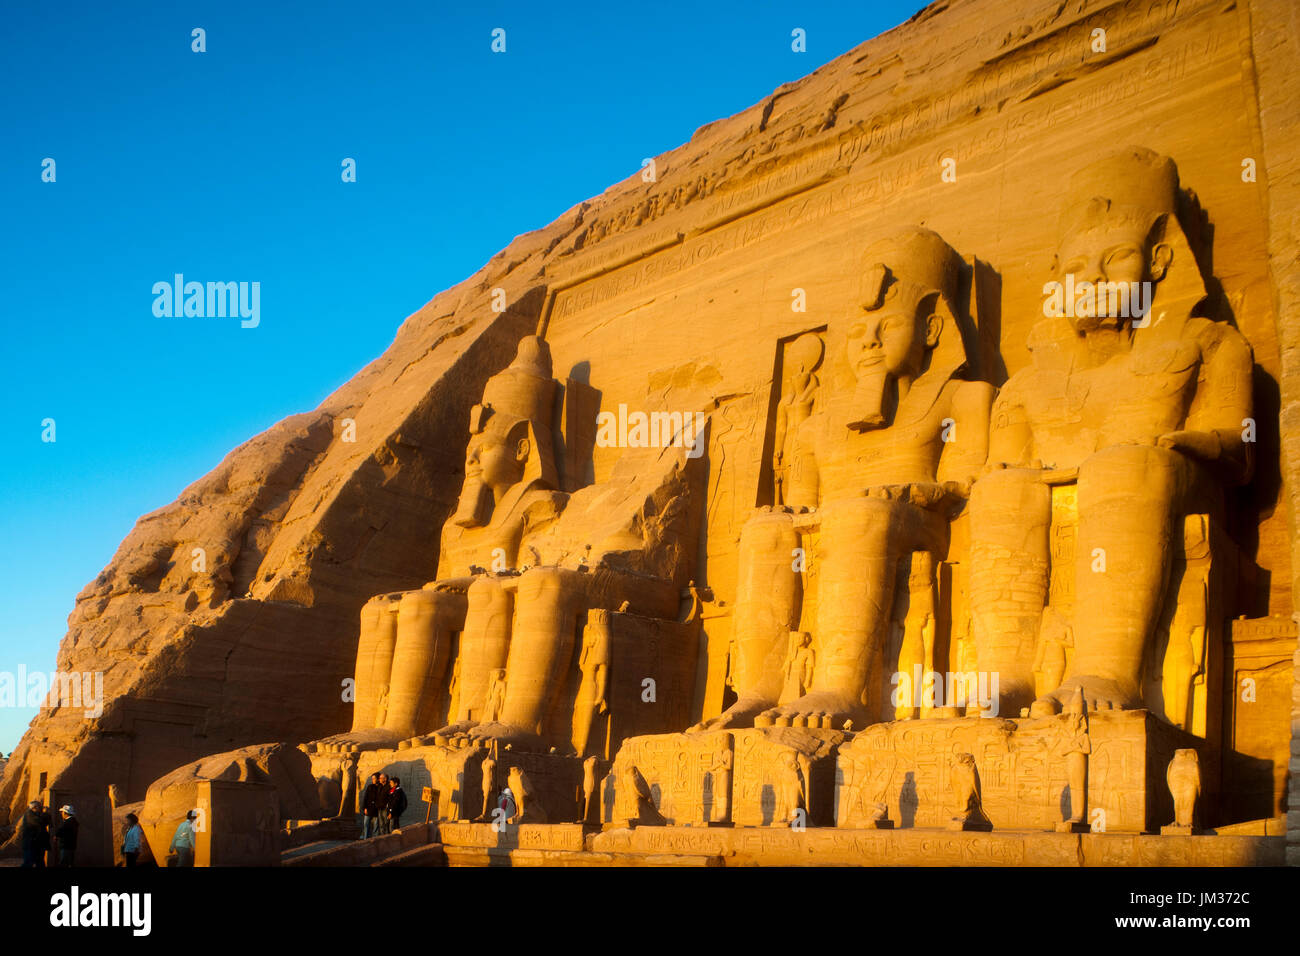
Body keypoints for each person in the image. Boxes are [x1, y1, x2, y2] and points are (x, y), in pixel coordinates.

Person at [19, 800, 51, 868]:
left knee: (40, 862)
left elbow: (48, 823)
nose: (42, 808)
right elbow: (39, 822)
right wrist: (46, 813)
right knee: (28, 863)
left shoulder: (38, 814)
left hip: (38, 845)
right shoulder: (29, 814)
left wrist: (46, 814)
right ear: (35, 807)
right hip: (30, 844)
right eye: (40, 807)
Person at [360, 772, 382, 839]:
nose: (373, 780)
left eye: (374, 778)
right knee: (366, 825)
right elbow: (366, 798)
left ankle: (374, 839)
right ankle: (366, 838)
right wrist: (365, 808)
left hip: (376, 809)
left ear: (378, 779)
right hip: (369, 808)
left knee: (376, 826)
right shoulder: (370, 787)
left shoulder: (381, 787)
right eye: (372, 778)